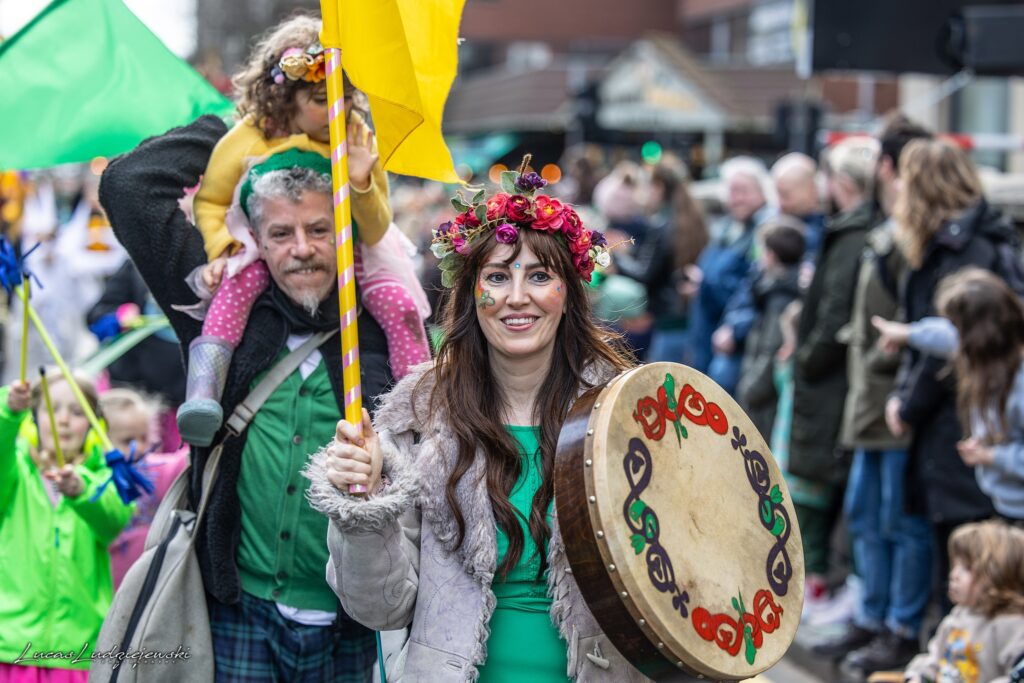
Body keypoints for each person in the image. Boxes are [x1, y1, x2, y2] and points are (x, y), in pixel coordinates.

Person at [303, 168, 648, 681]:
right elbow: (380, 609)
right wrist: (365, 507)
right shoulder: (416, 418)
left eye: (538, 276)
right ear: (470, 292)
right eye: (496, 277)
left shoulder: (625, 413)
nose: (515, 297)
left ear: (569, 292)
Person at [100, 115, 393, 681]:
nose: (302, 250)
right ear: (255, 239)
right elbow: (129, 185)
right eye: (281, 234)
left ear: (347, 230)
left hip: (351, 623)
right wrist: (269, 121)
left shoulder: (384, 325)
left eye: (319, 228)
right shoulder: (220, 307)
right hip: (237, 613)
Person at [179, 14, 428, 446]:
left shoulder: (356, 136)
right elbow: (211, 200)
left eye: (348, 95)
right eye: (320, 96)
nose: (339, 105)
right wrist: (225, 248)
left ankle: (423, 405)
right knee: (233, 292)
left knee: (398, 302)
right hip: (263, 249)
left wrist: (360, 182)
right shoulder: (253, 135)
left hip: (352, 251)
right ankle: (203, 394)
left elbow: (375, 229)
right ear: (285, 97)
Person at [812, 114, 933, 667]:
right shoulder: (883, 228)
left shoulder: (915, 233)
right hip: (869, 400)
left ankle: (897, 627)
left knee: (897, 521)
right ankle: (872, 618)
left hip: (894, 404)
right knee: (866, 517)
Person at [885, 138, 1018, 617]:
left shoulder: (967, 249)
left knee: (964, 562)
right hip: (961, 419)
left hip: (957, 421)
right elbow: (940, 335)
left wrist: (908, 402)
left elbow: (953, 339)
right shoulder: (976, 239)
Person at [788, 137, 883, 614]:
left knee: (820, 486)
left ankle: (820, 586)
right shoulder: (851, 230)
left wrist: (805, 358)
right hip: (834, 382)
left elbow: (834, 314)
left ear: (841, 182)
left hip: (830, 384)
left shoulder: (850, 236)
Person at [0, 373, 132, 682]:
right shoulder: (15, 471)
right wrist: (9, 413)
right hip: (9, 648)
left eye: (76, 412)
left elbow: (113, 522)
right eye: (51, 409)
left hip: (75, 656)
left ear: (92, 422)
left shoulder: (103, 479)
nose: (63, 421)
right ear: (34, 416)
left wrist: (80, 492)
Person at [874, 268, 1024, 525]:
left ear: (979, 335)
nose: (954, 335)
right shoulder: (993, 347)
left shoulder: (1018, 383)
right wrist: (907, 334)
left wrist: (992, 456)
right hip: (1004, 505)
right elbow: (943, 335)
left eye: (958, 326)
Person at [687, 156, 773, 390]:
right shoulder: (730, 228)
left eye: (744, 191)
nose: (737, 199)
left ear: (762, 191)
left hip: (735, 347)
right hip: (709, 339)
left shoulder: (766, 230)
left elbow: (754, 289)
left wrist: (706, 283)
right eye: (732, 191)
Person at [903, 520, 1024, 683]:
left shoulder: (1011, 625)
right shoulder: (960, 614)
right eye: (954, 566)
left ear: (997, 575)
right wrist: (919, 676)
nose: (954, 575)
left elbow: (1016, 676)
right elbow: (934, 658)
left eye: (967, 568)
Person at [615, 158, 707, 363]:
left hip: (668, 324)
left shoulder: (663, 225)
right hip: (691, 320)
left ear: (659, 187)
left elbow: (645, 274)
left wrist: (615, 258)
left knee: (664, 389)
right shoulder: (693, 219)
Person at [86, 260, 185, 450]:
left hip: (181, 403)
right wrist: (118, 317)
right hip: (131, 398)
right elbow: (94, 317)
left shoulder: (209, 266)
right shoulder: (135, 265)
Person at [101, 388, 189, 587]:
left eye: (144, 438)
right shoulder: (95, 481)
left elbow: (182, 462)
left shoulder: (153, 470)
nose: (139, 447)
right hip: (107, 587)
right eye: (127, 441)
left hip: (148, 584)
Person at [735, 216, 805, 438]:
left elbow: (771, 350)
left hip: (764, 405)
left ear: (771, 255)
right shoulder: (777, 291)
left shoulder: (780, 298)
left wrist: (748, 391)